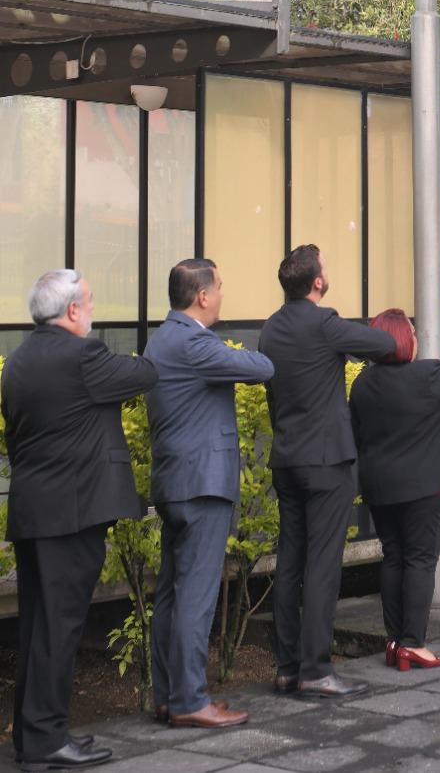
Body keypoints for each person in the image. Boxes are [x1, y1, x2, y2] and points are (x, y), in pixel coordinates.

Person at [3, 271, 155, 771]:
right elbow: (143, 375)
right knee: (60, 627)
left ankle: (34, 737)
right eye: (89, 302)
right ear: (71, 311)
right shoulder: (83, 356)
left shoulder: (19, 361)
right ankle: (46, 741)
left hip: (34, 510)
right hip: (72, 514)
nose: (91, 310)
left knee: (38, 627)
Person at [259, 244, 397, 699]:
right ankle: (317, 669)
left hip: (287, 458)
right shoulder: (325, 322)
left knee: (290, 563)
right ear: (317, 282)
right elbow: (385, 344)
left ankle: (287, 667)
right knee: (321, 566)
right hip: (327, 462)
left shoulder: (271, 328)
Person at [144, 259, 274, 728]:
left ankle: (170, 696)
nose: (222, 293)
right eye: (219, 286)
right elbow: (261, 367)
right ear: (201, 296)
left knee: (173, 599)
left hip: (176, 483)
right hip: (202, 485)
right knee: (195, 598)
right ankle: (191, 702)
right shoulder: (195, 341)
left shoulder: (161, 338)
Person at [349, 309, 440, 671]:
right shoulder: (428, 374)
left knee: (392, 556)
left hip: (379, 484)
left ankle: (394, 640)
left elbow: (357, 432)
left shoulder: (363, 383)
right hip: (424, 485)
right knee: (421, 560)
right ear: (406, 339)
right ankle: (413, 643)